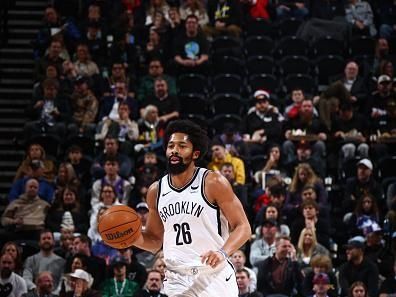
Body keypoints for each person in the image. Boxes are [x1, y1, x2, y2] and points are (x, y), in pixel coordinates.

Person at [132, 119, 251, 297]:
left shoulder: (213, 182)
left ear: (195, 153)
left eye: (182, 146)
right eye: (171, 145)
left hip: (213, 274)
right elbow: (155, 240)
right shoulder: (156, 191)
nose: (174, 150)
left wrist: (223, 253)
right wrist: (130, 238)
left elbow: (244, 227)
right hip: (177, 277)